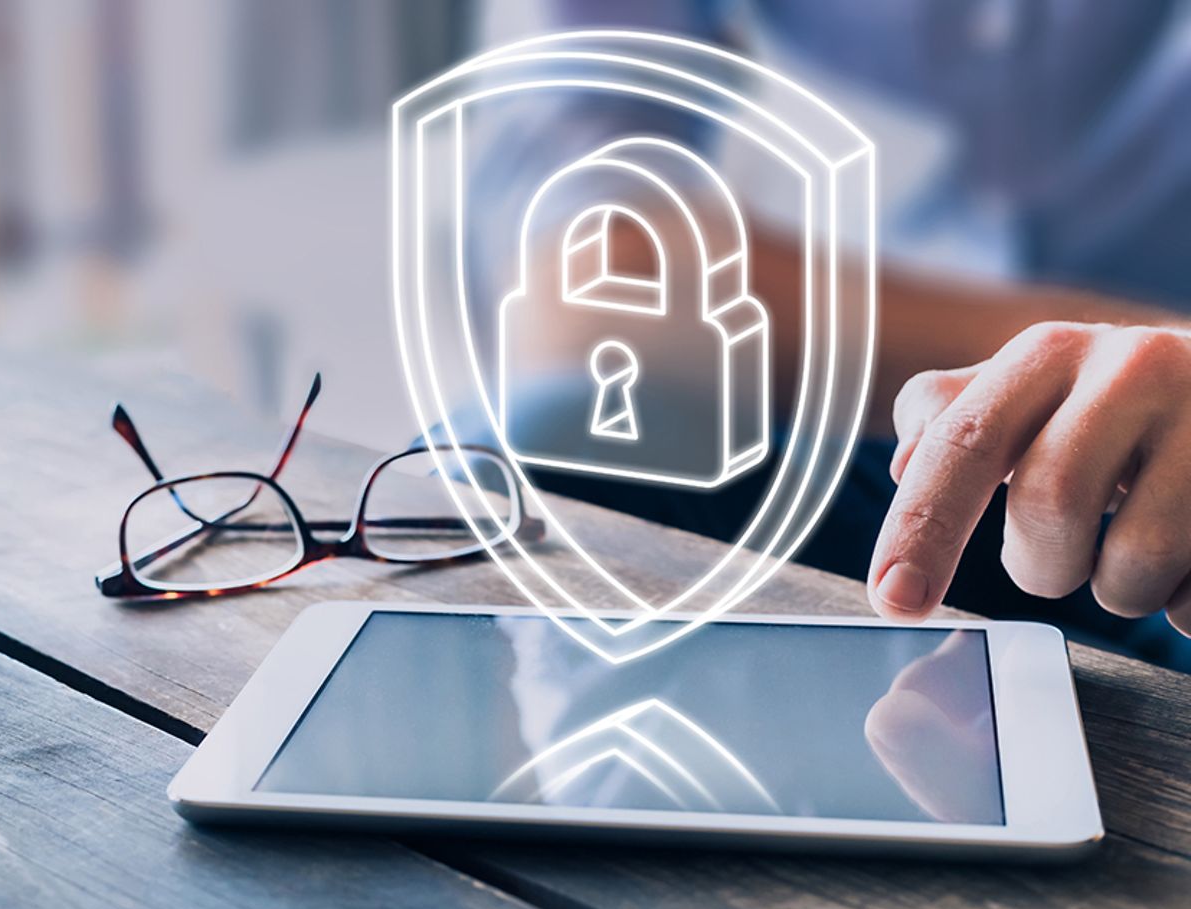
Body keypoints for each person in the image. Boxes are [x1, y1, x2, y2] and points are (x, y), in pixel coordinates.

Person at [472, 0, 1191, 667]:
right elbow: (591, 273)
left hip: (1168, 484)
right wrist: (1062, 367)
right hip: (864, 439)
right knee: (516, 454)